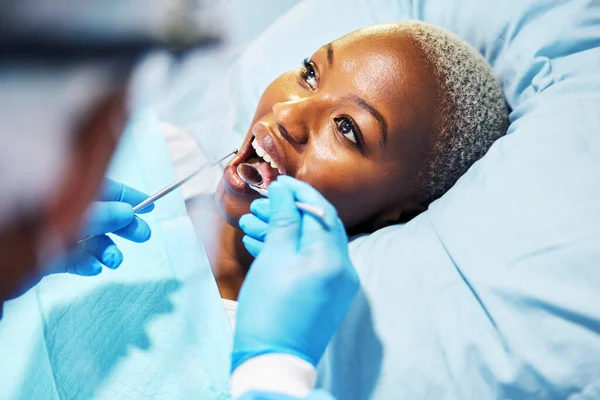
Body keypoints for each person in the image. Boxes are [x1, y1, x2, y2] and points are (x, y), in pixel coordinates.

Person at [189, 21, 508, 302]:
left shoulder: (277, 360)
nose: (286, 114)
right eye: (310, 75)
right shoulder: (161, 145)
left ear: (396, 216)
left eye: (347, 128)